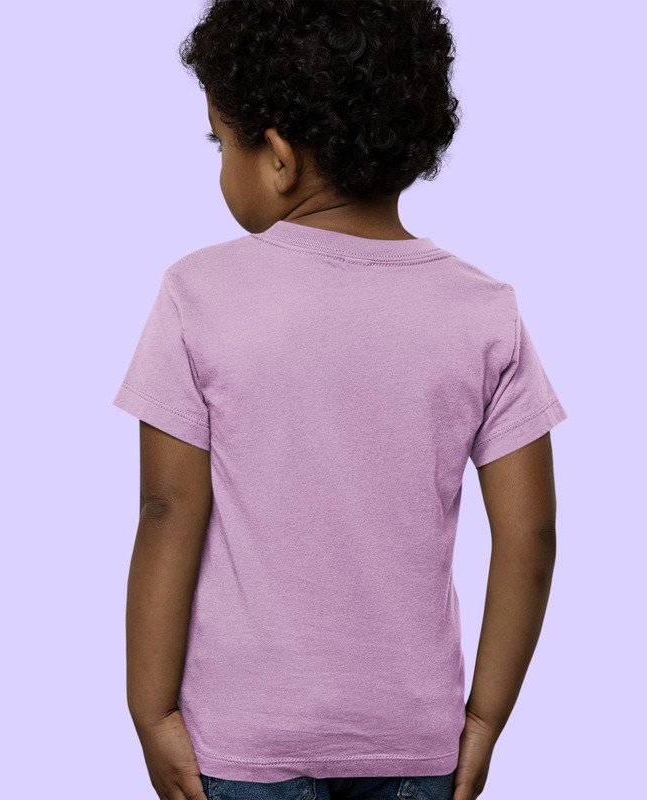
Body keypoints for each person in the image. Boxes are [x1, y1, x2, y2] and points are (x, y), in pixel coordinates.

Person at [111, 2, 568, 800]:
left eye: (221, 143)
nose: (220, 164)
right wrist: (484, 721)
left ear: (279, 159)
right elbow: (530, 535)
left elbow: (165, 508)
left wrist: (151, 712)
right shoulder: (483, 311)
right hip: (413, 740)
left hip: (245, 739)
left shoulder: (199, 294)